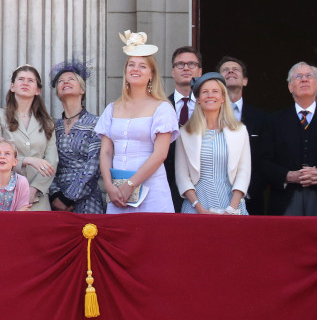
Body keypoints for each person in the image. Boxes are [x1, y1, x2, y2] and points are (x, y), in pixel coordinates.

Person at [95, 31, 178, 213]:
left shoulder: (162, 108)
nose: (135, 69)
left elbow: (160, 154)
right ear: (125, 72)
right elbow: (106, 152)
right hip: (117, 194)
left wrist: (130, 185)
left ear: (151, 74)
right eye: (131, 65)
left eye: (142, 66)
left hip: (152, 191)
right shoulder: (112, 108)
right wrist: (109, 186)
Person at [257, 62, 317, 216]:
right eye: (298, 77)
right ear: (290, 87)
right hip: (285, 200)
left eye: (309, 76)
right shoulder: (273, 121)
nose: (304, 79)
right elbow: (262, 161)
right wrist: (287, 176)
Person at [175, 73, 251, 215]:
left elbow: (244, 172)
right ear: (197, 99)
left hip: (232, 205)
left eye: (215, 91)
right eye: (205, 92)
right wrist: (199, 208)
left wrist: (231, 209)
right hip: (196, 206)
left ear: (223, 98)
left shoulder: (240, 131)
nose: (210, 95)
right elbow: (182, 175)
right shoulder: (185, 133)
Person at [0, 65, 57, 211]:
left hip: (37, 199)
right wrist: (26, 160)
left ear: (37, 90)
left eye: (30, 80)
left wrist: (34, 190)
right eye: (21, 79)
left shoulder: (48, 122)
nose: (25, 83)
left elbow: (52, 161)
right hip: (5, 193)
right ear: (12, 87)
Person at [47, 60, 105, 214]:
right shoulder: (52, 126)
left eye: (71, 79)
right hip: (56, 201)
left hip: (87, 198)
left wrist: (68, 198)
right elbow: (47, 162)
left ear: (82, 89)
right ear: (57, 92)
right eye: (61, 81)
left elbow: (95, 164)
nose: (65, 82)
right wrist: (55, 196)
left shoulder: (96, 122)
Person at [217, 56, 268, 214]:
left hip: (251, 196)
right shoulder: (206, 116)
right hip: (214, 196)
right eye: (225, 70)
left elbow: (264, 158)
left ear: (245, 81)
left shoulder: (261, 118)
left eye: (236, 69)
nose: (231, 71)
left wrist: (247, 189)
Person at [164, 45, 204, 212]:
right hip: (167, 186)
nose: (186, 68)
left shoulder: (209, 107)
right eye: (180, 64)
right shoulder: (162, 107)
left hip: (201, 187)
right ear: (173, 71)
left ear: (200, 71)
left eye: (191, 64)